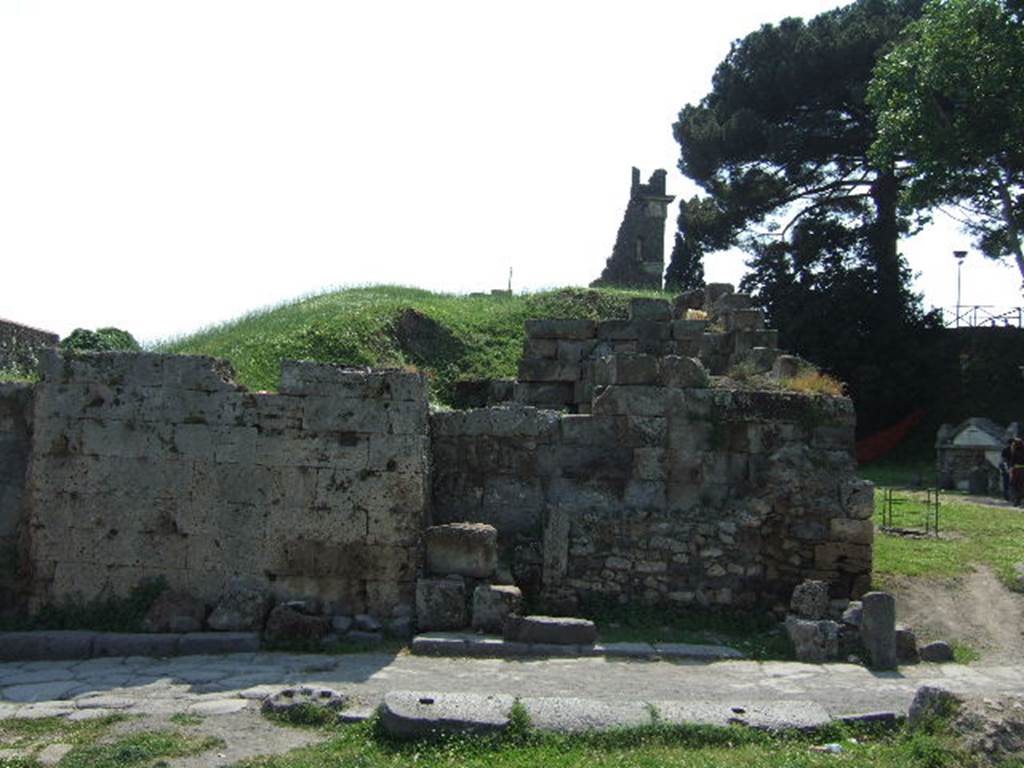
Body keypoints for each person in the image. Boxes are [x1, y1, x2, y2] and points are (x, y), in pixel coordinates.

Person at [1009, 438, 1024, 507]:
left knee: (1015, 485)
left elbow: (1012, 462)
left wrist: (1011, 471)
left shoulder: (1015, 452)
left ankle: (1017, 500)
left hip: (1017, 470)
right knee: (1021, 486)